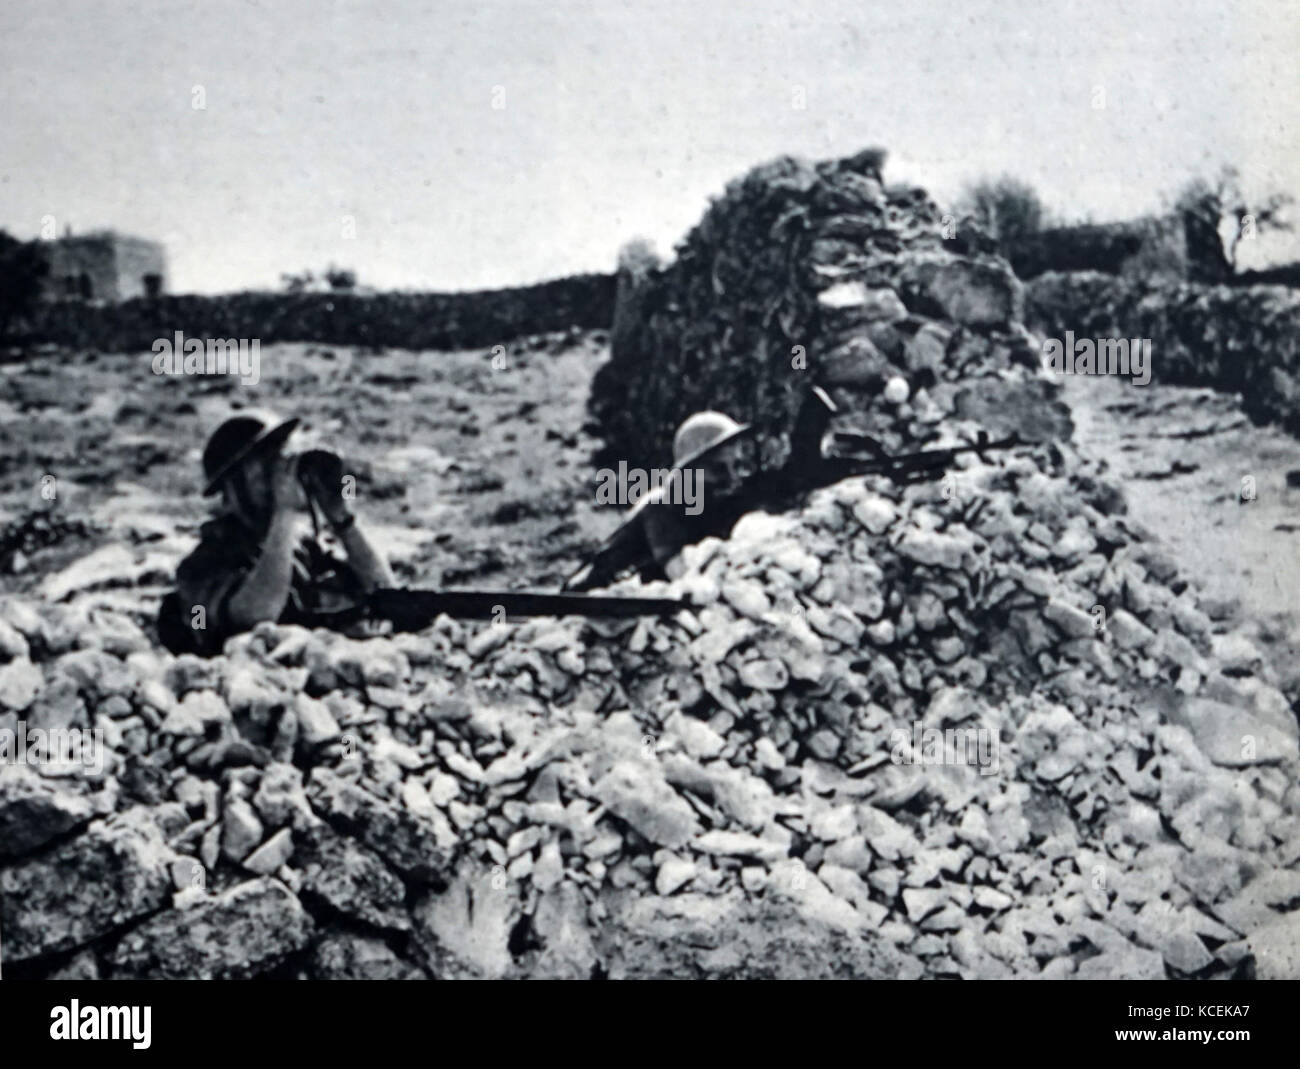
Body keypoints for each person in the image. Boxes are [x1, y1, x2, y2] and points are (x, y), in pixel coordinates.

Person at [158, 410, 395, 655]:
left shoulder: (301, 548)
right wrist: (284, 511)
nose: (276, 474)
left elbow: (386, 592)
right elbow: (255, 616)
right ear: (232, 487)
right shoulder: (201, 564)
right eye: (263, 465)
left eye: (279, 459)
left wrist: (342, 519)